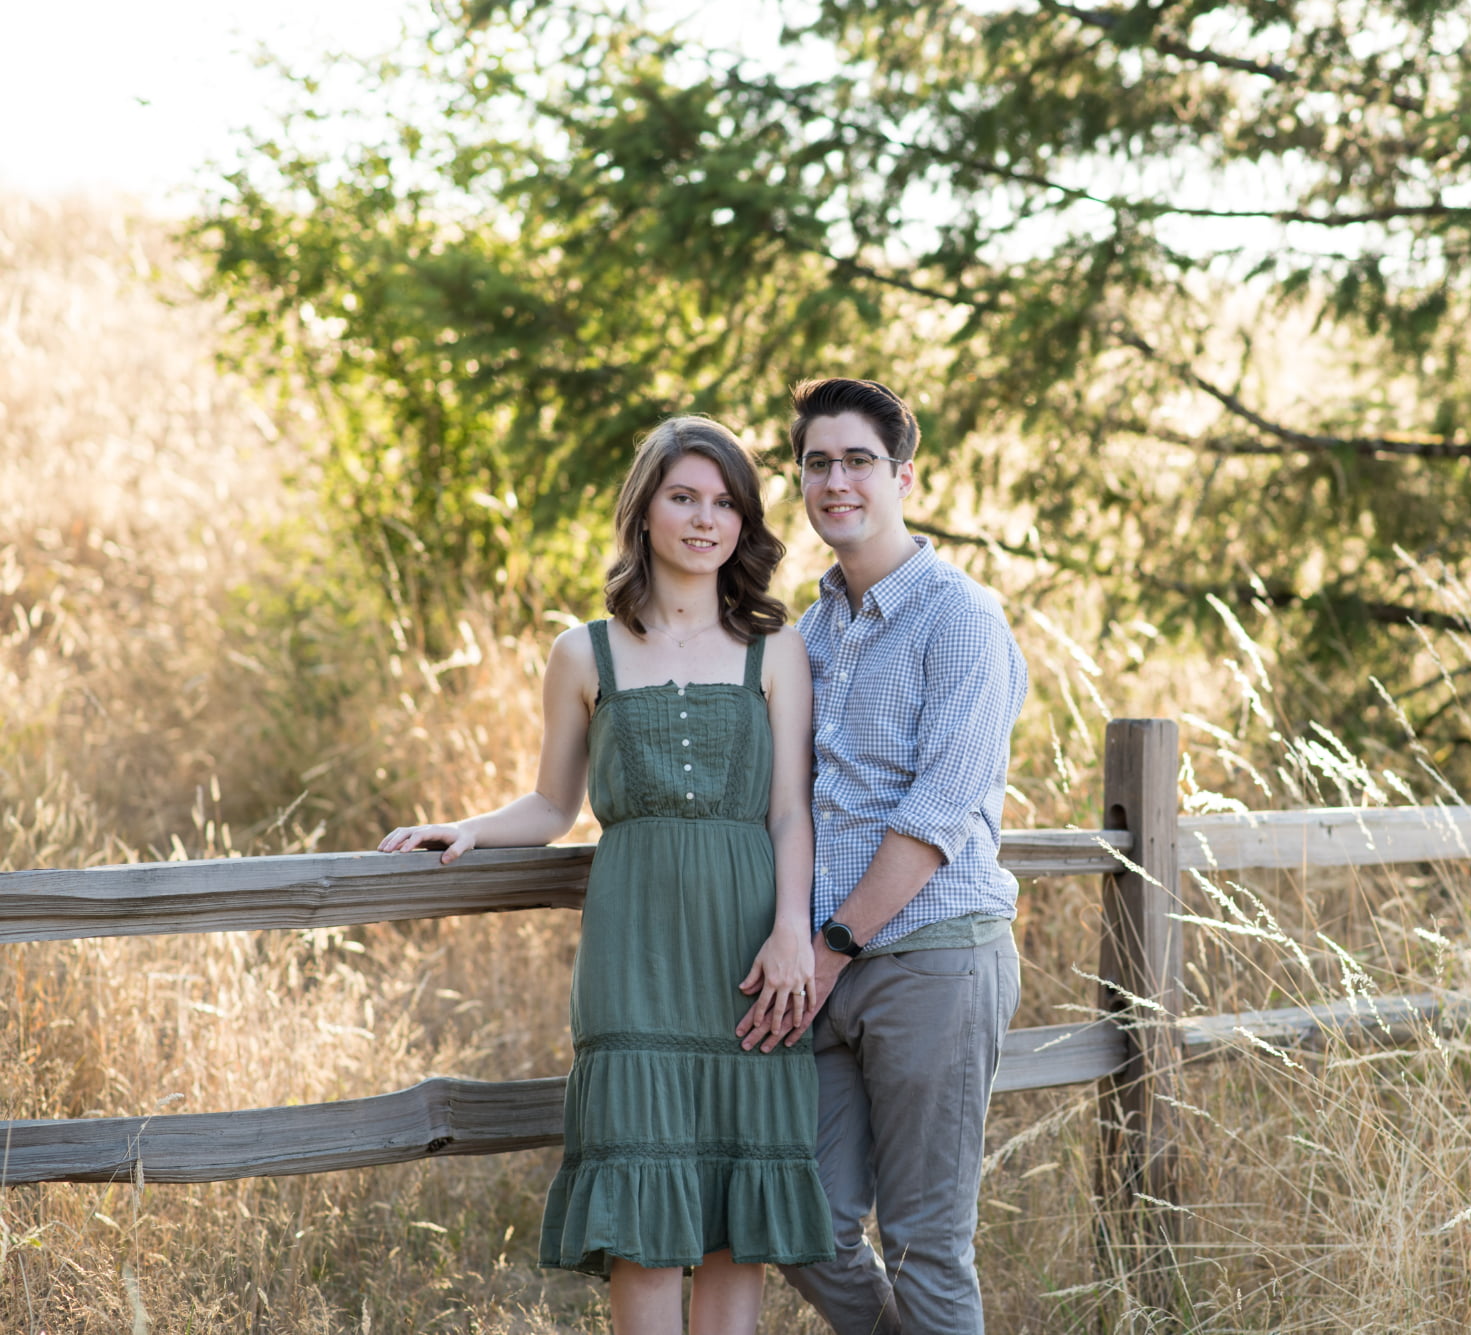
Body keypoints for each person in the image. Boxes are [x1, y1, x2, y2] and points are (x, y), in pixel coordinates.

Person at [378, 416, 834, 1335]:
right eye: (684, 497)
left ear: (744, 523)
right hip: (636, 964)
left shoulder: (774, 649)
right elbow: (554, 805)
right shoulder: (584, 653)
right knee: (646, 1222)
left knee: (732, 1222)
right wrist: (467, 828)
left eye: (724, 503)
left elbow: (790, 809)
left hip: (750, 958)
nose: (704, 520)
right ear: (646, 509)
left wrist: (793, 930)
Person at [740, 378, 1028, 1334]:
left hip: (930, 957)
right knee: (805, 1223)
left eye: (858, 459)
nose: (836, 480)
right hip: (827, 966)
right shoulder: (810, 631)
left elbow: (937, 816)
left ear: (904, 473)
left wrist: (828, 951)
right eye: (817, 462)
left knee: (922, 1240)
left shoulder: (962, 618)